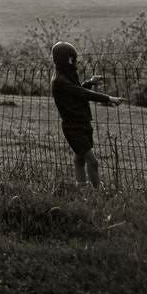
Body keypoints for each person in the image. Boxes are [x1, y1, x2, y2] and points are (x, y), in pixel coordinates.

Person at [50, 41, 122, 189]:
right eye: (73, 59)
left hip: (82, 123)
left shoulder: (66, 76)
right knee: (92, 161)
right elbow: (81, 93)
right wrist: (109, 98)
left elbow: (76, 91)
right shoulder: (60, 80)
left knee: (80, 158)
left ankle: (81, 188)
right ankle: (97, 191)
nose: (75, 63)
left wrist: (90, 82)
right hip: (73, 126)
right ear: (68, 59)